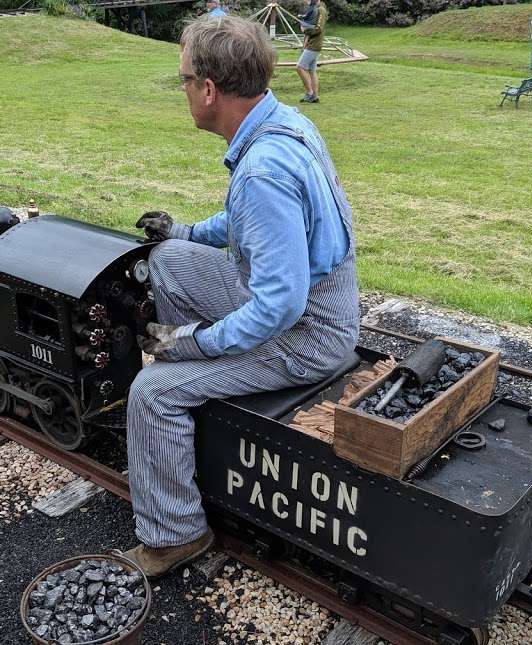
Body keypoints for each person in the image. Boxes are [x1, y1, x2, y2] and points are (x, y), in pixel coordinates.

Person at [123, 15, 359, 577]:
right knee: (170, 262)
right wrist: (185, 233)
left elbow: (280, 307)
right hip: (311, 306)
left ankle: (174, 534)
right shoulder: (285, 124)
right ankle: (202, 420)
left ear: (208, 89)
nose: (182, 90)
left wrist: (194, 344)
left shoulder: (262, 171)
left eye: (182, 79)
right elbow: (249, 225)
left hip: (307, 338)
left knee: (152, 390)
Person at [296, 0, 327, 103]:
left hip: (315, 45)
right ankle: (315, 96)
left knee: (300, 67)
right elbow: (308, 28)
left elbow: (318, 29)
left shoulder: (321, 10)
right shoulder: (313, 10)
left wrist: (305, 30)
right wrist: (304, 45)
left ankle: (309, 92)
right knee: (312, 71)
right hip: (310, 44)